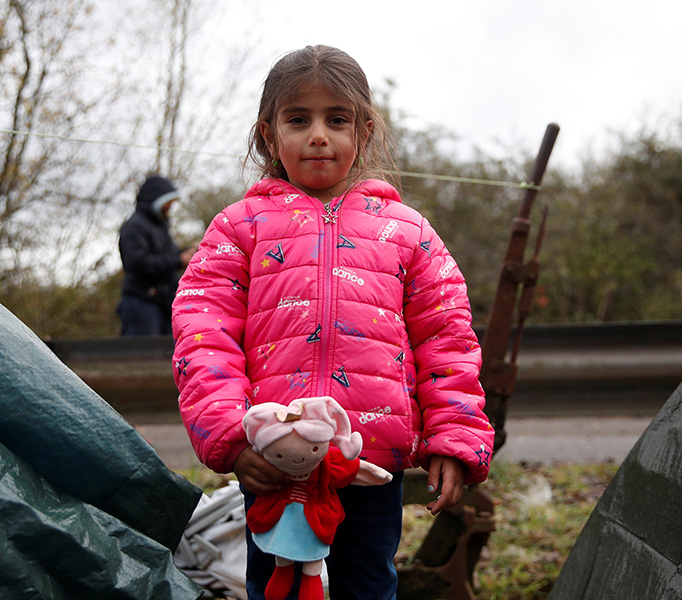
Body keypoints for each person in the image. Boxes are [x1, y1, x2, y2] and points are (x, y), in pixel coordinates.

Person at [171, 45, 495, 600]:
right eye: (299, 119)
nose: (318, 134)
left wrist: (453, 436)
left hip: (369, 462)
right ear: (269, 136)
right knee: (278, 587)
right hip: (275, 459)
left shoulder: (407, 232)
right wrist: (230, 435)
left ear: (363, 132)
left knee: (367, 586)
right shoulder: (239, 228)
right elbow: (203, 335)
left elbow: (446, 339)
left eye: (336, 119)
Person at [117, 174, 196, 336]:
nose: (170, 206)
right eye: (168, 202)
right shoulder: (134, 226)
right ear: (157, 200)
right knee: (142, 357)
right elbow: (137, 263)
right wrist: (178, 260)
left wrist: (190, 253)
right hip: (141, 302)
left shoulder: (160, 226)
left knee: (164, 357)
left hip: (163, 302)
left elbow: (167, 256)